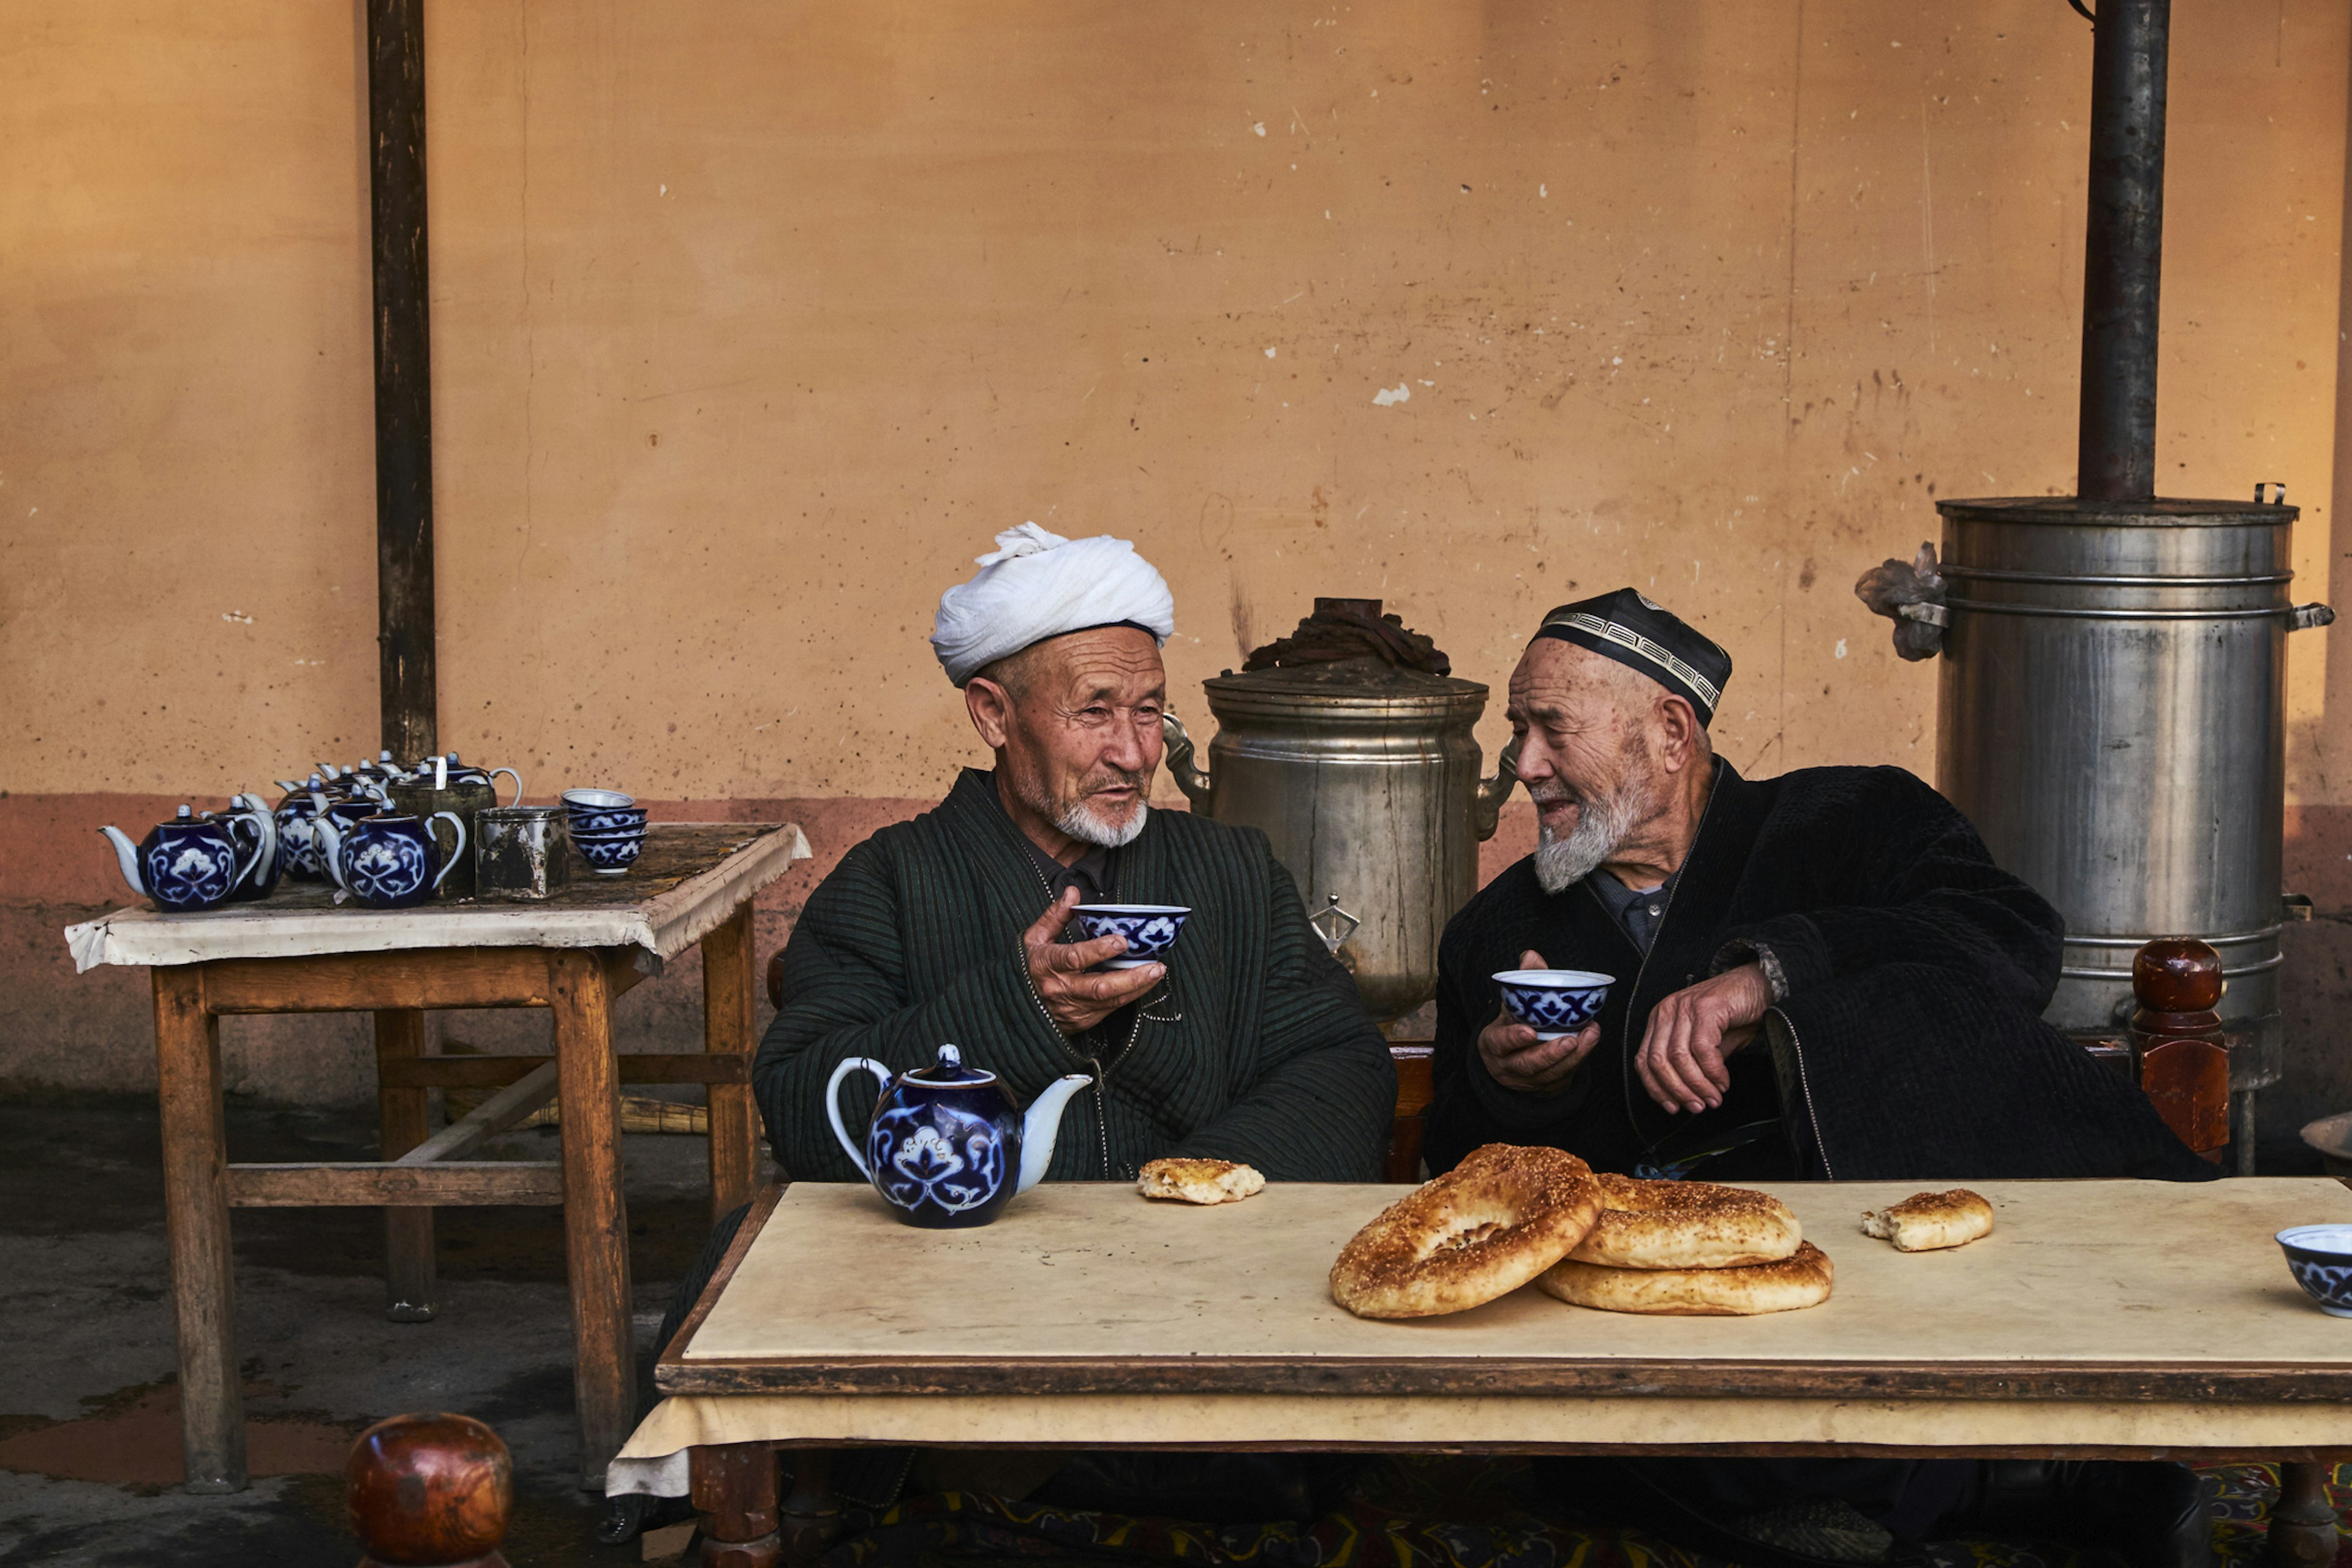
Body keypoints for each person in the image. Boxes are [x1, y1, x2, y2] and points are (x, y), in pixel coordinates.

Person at [1428, 589, 2213, 1568]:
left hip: (1890, 1252)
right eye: (1517, 731)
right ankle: (2019, 1485)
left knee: (1640, 1450)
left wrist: (1771, 979)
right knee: (1584, 1427)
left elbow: (2011, 942)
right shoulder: (1497, 934)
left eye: (1552, 730)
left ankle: (1864, 1490)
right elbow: (1450, 1175)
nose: (1525, 766)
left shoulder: (1851, 821)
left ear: (1671, 733)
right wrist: (1512, 1085)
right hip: (1666, 1307)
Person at [756, 521, 1394, 1185]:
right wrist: (1018, 1010)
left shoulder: (1235, 872)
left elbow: (1344, 1067)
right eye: (1094, 712)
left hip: (1202, 1258)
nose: (1134, 752)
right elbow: (803, 1106)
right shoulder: (887, 883)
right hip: (973, 1272)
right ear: (994, 716)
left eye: (1148, 711)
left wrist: (1192, 1185)